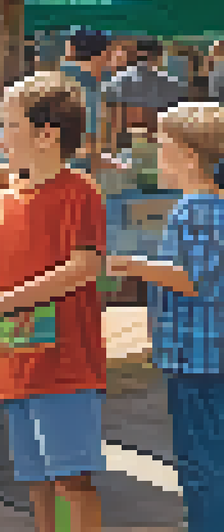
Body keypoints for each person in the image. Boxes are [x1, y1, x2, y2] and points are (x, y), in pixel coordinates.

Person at [0, 71, 108, 532]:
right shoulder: (4, 200)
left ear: (47, 135)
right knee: (37, 480)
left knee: (72, 480)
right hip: (15, 361)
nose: (1, 139)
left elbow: (84, 268)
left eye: (9, 126)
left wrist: (0, 302)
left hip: (65, 366)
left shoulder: (80, 192)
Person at [105, 103, 221, 532]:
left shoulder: (194, 209)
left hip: (198, 360)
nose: (155, 151)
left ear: (190, 155)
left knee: (200, 466)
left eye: (161, 144)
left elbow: (194, 279)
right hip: (210, 358)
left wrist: (130, 265)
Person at [59, 28, 111, 174]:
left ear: (72, 49)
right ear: (105, 53)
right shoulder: (86, 88)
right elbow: (85, 144)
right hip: (73, 173)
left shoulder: (57, 79)